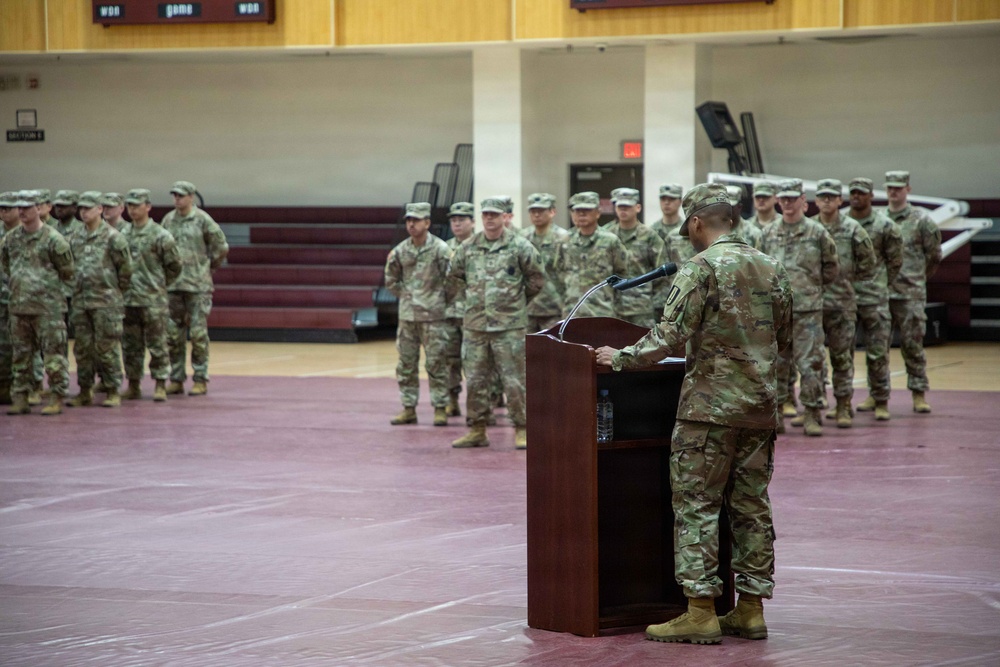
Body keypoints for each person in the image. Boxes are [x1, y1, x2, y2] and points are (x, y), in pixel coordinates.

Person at [595, 182, 792, 645]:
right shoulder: (772, 267)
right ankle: (750, 609)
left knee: (697, 506)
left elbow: (669, 337)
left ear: (697, 222)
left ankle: (700, 611)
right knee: (751, 507)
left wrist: (618, 358)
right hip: (759, 410)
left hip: (708, 411)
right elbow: (783, 335)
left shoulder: (700, 267)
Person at [447, 197, 544, 449]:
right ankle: (477, 429)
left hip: (509, 326)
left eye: (494, 214)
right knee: (476, 379)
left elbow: (536, 279)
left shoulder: (520, 246)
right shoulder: (468, 247)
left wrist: (513, 303)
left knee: (514, 380)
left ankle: (522, 428)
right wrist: (473, 300)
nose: (489, 218)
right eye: (486, 214)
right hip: (476, 325)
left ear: (505, 217)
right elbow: (454, 277)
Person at [760, 179, 838, 436]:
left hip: (807, 311)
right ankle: (778, 413)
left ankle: (812, 414)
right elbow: (759, 270)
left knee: (811, 364)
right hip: (777, 312)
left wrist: (808, 290)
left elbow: (830, 269)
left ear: (803, 200)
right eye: (783, 199)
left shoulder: (817, 233)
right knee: (776, 365)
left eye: (792, 199)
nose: (787, 204)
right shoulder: (768, 233)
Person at [2, 191, 75, 415]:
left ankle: (56, 397)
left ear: (39, 208)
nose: (22, 211)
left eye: (27, 207)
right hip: (19, 308)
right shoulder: (10, 239)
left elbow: (68, 272)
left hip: (48, 309)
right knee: (21, 356)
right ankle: (22, 397)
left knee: (53, 356)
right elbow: (6, 267)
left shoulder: (54, 240)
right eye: (19, 207)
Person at [813, 179, 877, 427]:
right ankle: (815, 405)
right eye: (822, 196)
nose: (827, 201)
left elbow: (867, 265)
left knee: (842, 358)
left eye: (832, 196)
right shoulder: (807, 228)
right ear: (816, 201)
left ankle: (843, 406)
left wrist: (848, 286)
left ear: (840, 200)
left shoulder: (853, 230)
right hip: (813, 306)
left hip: (842, 304)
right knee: (812, 360)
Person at [384, 202, 452, 427]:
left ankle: (440, 407)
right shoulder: (400, 250)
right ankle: (408, 407)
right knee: (406, 364)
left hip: (433, 317)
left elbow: (452, 281)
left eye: (416, 220)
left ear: (427, 223)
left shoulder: (441, 249)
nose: (411, 224)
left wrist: (438, 299)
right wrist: (406, 295)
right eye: (408, 220)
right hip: (408, 317)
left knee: (436, 363)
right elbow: (391, 279)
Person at [161, 180, 229, 396]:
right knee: (173, 334)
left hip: (197, 285)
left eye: (181, 195)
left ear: (191, 197)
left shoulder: (202, 220)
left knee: (198, 334)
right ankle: (177, 378)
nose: (177, 199)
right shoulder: (168, 220)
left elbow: (221, 246)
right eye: (175, 195)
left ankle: (200, 378)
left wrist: (209, 267)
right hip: (174, 285)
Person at [65, 192, 133, 408]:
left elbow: (126, 271)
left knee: (107, 348)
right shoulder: (74, 237)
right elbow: (67, 267)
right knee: (83, 349)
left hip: (106, 303)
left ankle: (113, 389)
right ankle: (85, 390)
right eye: (81, 208)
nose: (83, 212)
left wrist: (113, 292)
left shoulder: (114, 237)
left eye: (88, 208)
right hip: (81, 302)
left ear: (100, 210)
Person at [882, 171, 942, 413]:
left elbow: (934, 255)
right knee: (878, 349)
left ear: (908, 189)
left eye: (898, 187)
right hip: (883, 294)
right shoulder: (879, 219)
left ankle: (918, 393)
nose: (894, 192)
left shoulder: (922, 220)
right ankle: (879, 396)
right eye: (890, 188)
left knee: (913, 345)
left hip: (910, 294)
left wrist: (918, 278)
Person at [847, 177, 903, 420]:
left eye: (862, 193)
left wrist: (880, 284)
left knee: (878, 352)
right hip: (844, 297)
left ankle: (880, 399)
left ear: (871, 195)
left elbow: (895, 262)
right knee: (842, 354)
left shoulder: (885, 226)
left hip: (874, 297)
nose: (857, 197)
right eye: (853, 193)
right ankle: (842, 402)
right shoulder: (840, 223)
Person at [121, 188, 183, 402]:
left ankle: (159, 383)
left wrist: (159, 284)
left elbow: (174, 266)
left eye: (137, 206)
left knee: (158, 344)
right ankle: (134, 384)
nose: (132, 210)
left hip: (153, 299)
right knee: (131, 346)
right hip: (129, 299)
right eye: (129, 206)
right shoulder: (122, 235)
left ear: (148, 207)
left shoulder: (160, 235)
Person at [553, 191, 629, 319]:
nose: (581, 214)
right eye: (577, 210)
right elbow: (557, 273)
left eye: (587, 210)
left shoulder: (610, 241)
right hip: (572, 312)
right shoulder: (564, 240)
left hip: (602, 311)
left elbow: (622, 273)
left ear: (598, 212)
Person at [606, 187, 666, 329]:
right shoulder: (607, 235)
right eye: (620, 206)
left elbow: (661, 273)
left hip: (641, 307)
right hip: (612, 306)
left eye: (627, 206)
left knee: (642, 347)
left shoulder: (650, 236)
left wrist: (654, 301)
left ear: (638, 207)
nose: (623, 210)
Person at [442, 201, 476, 418]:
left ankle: (484, 403)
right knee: (449, 359)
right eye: (453, 220)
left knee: (476, 361)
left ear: (472, 222)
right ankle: (451, 400)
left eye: (461, 220)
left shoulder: (479, 246)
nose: (457, 224)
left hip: (473, 313)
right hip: (448, 313)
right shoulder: (444, 247)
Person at [520, 193, 568, 332]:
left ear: (552, 212)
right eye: (533, 211)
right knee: (527, 351)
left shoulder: (563, 238)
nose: (536, 215)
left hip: (554, 307)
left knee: (552, 351)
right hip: (527, 307)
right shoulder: (522, 238)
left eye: (541, 211)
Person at [649, 183, 685, 324]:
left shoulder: (686, 231)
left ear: (680, 202)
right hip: (656, 300)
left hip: (680, 298)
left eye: (671, 199)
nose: (666, 202)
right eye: (663, 199)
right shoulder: (651, 232)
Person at [0, 191, 23, 404]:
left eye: (8, 208)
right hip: (1, 300)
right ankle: (4, 387)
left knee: (24, 348)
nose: (3, 212)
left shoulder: (28, 234)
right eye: (1, 208)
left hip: (24, 301)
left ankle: (27, 388)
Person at [727, 184, 761, 249]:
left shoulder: (753, 233)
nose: (727, 210)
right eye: (725, 206)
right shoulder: (713, 230)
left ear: (739, 207)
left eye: (731, 207)